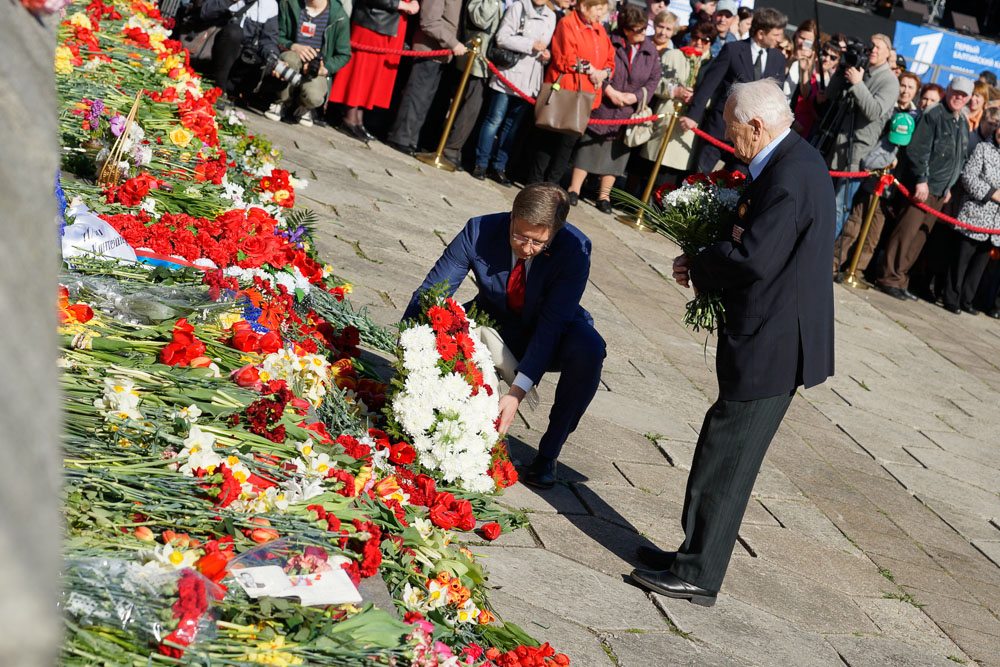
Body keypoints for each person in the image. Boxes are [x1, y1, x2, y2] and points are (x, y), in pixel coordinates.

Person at [630, 79, 835, 606]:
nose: (727, 135)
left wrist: (701, 262)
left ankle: (698, 573)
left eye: (731, 126)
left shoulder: (790, 174)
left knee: (728, 457)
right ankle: (690, 553)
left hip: (773, 340)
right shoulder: (792, 160)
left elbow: (754, 258)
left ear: (758, 126)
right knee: (720, 447)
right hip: (770, 332)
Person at [401, 182, 606, 489]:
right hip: (492, 319)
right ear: (512, 215)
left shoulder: (575, 249)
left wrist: (516, 394)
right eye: (519, 235)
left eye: (537, 243)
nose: (525, 247)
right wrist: (409, 350)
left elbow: (553, 324)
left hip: (551, 329)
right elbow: (433, 292)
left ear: (555, 231)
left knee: (590, 349)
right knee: (439, 326)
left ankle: (548, 455)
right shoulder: (479, 229)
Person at [875, 77, 972, 300]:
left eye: (963, 95)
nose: (959, 97)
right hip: (923, 187)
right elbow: (918, 151)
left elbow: (959, 156)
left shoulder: (962, 121)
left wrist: (949, 186)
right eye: (956, 92)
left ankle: (900, 278)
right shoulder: (934, 115)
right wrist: (921, 179)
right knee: (905, 233)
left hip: (940, 190)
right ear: (948, 91)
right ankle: (888, 277)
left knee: (919, 237)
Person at [567, 4, 660, 213]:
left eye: (645, 29)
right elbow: (600, 65)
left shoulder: (650, 50)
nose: (644, 34)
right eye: (639, 30)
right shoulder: (610, 40)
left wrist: (633, 97)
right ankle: (574, 189)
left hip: (627, 110)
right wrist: (610, 91)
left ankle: (604, 196)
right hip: (604, 102)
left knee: (616, 154)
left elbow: (654, 80)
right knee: (589, 147)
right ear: (626, 29)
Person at [679, 6, 788, 175]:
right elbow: (709, 84)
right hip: (719, 128)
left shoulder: (779, 59)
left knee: (736, 186)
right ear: (760, 33)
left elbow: (775, 98)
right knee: (698, 177)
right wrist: (693, 115)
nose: (779, 40)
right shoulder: (733, 50)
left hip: (751, 139)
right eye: (775, 35)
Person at [525, 0, 614, 185]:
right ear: (584, 6)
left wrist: (603, 73)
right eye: (598, 9)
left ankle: (553, 185)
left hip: (586, 96)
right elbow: (566, 58)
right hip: (565, 91)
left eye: (603, 11)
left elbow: (610, 61)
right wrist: (592, 71)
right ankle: (535, 183)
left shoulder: (600, 30)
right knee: (549, 139)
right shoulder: (568, 24)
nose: (600, 15)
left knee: (568, 144)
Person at [819, 33, 898, 239]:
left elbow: (873, 111)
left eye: (878, 47)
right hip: (834, 144)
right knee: (820, 198)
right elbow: (829, 96)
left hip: (856, 152)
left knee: (838, 206)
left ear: (888, 54)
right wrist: (842, 71)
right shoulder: (859, 69)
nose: (873, 50)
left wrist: (857, 83)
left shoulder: (890, 81)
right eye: (870, 46)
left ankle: (823, 250)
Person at [472, 0, 556, 184]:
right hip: (508, 73)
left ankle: (499, 167)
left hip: (529, 80)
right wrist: (530, 44)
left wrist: (546, 56)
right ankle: (481, 163)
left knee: (512, 126)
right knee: (494, 120)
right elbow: (502, 38)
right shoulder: (519, 7)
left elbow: (545, 46)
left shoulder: (551, 15)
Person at [329, 0, 419, 143]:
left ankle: (358, 120)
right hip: (372, 19)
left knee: (371, 75)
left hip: (387, 22)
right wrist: (402, 5)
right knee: (360, 70)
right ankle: (349, 119)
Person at [637, 19, 715, 183]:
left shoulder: (713, 65)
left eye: (705, 40)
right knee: (648, 168)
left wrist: (699, 99)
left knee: (673, 175)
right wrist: (675, 90)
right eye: (695, 37)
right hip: (665, 117)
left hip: (689, 127)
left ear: (711, 42)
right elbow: (653, 84)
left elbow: (715, 96)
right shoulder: (673, 55)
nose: (699, 43)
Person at [386, 0, 468, 155]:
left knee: (423, 101)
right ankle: (400, 137)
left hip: (440, 54)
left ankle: (410, 139)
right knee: (415, 96)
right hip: (428, 50)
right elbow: (429, 22)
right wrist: (453, 43)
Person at [940, 125, 1000, 315]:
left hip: (995, 224)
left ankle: (967, 300)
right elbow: (968, 178)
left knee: (980, 264)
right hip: (975, 215)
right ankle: (951, 297)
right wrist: (993, 194)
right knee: (961, 259)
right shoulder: (983, 149)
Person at [440, 0, 506, 168]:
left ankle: (457, 148)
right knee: (469, 108)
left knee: (473, 109)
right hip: (474, 61)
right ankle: (451, 149)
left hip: (488, 63)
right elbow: (480, 19)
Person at [265, 0, 351, 126]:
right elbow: (276, 36)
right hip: (293, 57)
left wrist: (326, 68)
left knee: (314, 97)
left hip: (316, 67)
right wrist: (292, 46)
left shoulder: (339, 16)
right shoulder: (289, 3)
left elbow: (344, 54)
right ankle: (281, 102)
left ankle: (303, 107)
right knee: (289, 58)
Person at [203, 0, 281, 106]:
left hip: (242, 62)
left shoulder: (270, 4)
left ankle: (232, 92)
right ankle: (218, 89)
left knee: (263, 58)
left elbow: (268, 40)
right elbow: (205, 12)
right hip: (216, 53)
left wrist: (273, 57)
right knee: (234, 32)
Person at [791, 39, 838, 138]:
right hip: (794, 126)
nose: (827, 59)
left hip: (814, 134)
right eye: (824, 53)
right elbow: (805, 94)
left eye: (833, 57)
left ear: (837, 62)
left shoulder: (833, 84)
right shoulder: (807, 71)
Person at [782, 19, 816, 104]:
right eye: (802, 38)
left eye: (808, 42)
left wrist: (804, 71)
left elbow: (805, 95)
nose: (803, 43)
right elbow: (776, 77)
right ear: (796, 33)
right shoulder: (785, 48)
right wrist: (792, 59)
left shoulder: (809, 60)